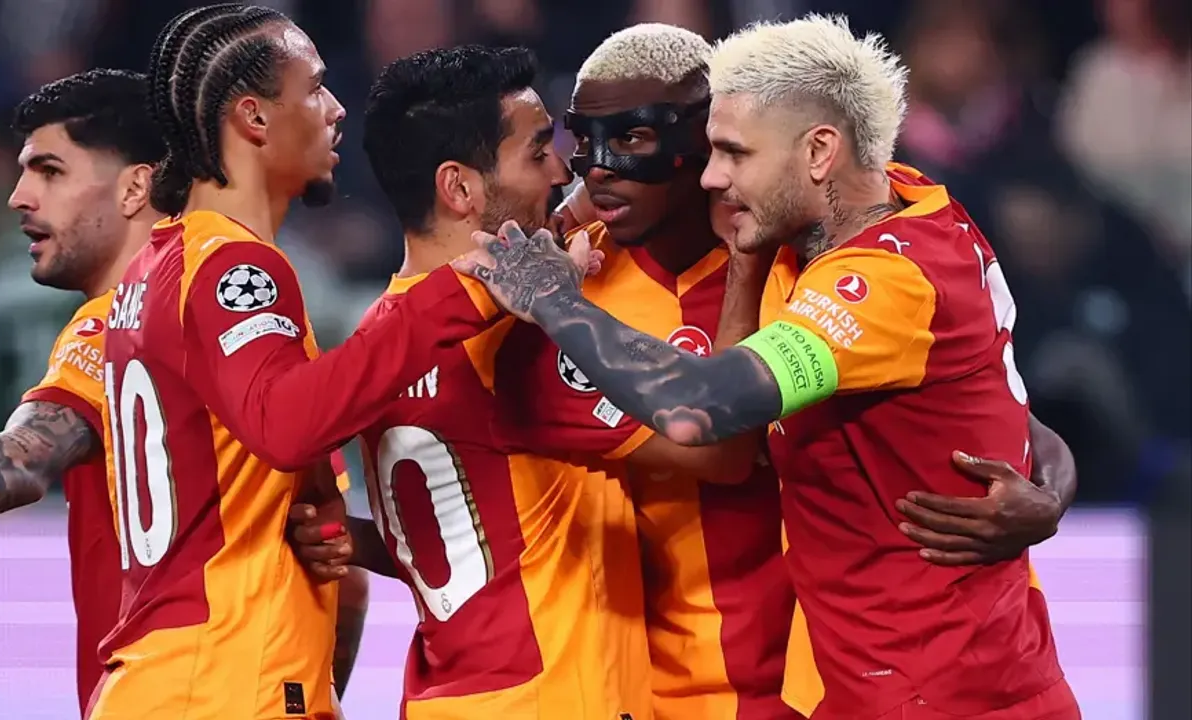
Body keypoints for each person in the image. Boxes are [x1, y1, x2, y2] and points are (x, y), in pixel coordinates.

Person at [454, 15, 1080, 720]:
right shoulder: (879, 206)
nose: (714, 175)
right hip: (861, 685)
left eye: (734, 153)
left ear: (818, 151)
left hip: (944, 692)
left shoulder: (877, 283)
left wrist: (554, 301)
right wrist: (1054, 486)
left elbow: (702, 411)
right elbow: (986, 403)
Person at [91, 6, 528, 719]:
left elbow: (240, 464)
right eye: (315, 88)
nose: (336, 108)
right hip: (225, 681)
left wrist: (325, 524)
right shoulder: (236, 267)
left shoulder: (156, 265)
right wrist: (470, 290)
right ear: (254, 117)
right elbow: (286, 423)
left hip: (176, 676)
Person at [314, 45, 653, 719]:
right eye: (537, 152)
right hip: (551, 700)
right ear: (459, 189)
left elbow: (470, 527)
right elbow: (714, 444)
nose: (561, 170)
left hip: (447, 694)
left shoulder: (377, 336)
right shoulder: (514, 339)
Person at [0, 69, 163, 715]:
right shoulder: (244, 303)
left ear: (136, 186)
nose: (18, 197)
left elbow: (22, 461)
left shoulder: (128, 320)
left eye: (50, 172)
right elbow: (341, 578)